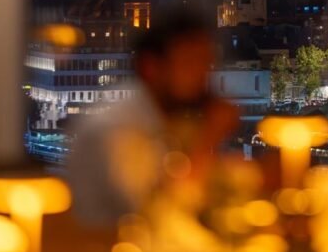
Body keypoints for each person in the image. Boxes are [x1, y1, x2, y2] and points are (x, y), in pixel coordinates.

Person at [68, 11, 238, 227]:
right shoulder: (116, 129)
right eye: (190, 64)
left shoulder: (157, 117)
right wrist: (210, 136)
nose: (202, 76)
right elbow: (157, 213)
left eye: (206, 64)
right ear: (151, 67)